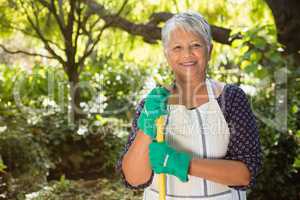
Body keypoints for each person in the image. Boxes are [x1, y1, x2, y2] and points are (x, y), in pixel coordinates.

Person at [117, 11, 261, 200]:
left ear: (209, 50)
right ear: (166, 53)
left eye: (195, 45)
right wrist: (146, 128)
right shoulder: (152, 104)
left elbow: (245, 175)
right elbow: (134, 179)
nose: (187, 54)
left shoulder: (231, 98)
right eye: (177, 47)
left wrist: (181, 163)